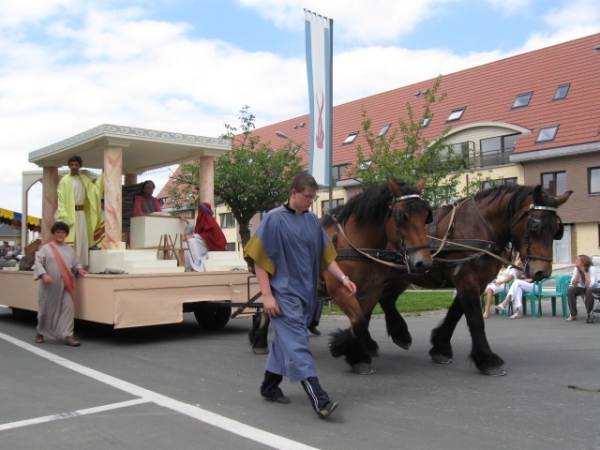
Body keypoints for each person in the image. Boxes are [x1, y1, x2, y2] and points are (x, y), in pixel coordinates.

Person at [244, 172, 357, 419]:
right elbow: (258, 259)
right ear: (294, 193)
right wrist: (267, 295)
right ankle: (320, 399)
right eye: (307, 196)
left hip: (306, 294)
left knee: (285, 341)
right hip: (283, 294)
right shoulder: (274, 219)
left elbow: (327, 257)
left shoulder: (311, 221)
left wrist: (344, 278)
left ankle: (269, 386)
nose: (310, 201)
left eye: (313, 197)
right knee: (298, 343)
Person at [33, 221, 88, 346]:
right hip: (49, 286)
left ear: (66, 234)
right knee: (45, 310)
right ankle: (40, 331)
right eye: (57, 232)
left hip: (66, 286)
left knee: (68, 309)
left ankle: (68, 335)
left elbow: (75, 263)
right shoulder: (45, 249)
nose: (60, 235)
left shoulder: (70, 250)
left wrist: (79, 269)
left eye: (62, 232)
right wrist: (44, 274)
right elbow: (38, 263)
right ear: (53, 234)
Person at [56, 155, 104, 267]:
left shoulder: (84, 179)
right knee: (72, 240)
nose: (74, 167)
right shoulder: (64, 181)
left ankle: (81, 265)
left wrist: (103, 175)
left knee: (82, 239)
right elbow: (61, 201)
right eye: (72, 165)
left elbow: (95, 192)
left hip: (82, 214)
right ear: (69, 166)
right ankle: (69, 265)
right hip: (70, 215)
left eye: (76, 165)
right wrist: (65, 217)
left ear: (80, 166)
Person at [179, 202, 227, 272]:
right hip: (206, 241)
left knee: (191, 241)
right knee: (187, 241)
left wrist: (193, 236)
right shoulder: (203, 219)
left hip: (213, 243)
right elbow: (197, 231)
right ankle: (189, 265)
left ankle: (196, 264)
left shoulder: (209, 220)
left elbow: (209, 235)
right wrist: (186, 221)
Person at [566, 255, 600, 323]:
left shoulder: (592, 269)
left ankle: (589, 314)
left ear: (583, 262)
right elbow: (573, 284)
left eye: (578, 260)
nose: (576, 261)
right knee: (571, 289)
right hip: (585, 288)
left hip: (596, 288)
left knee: (589, 290)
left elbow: (591, 284)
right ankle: (573, 314)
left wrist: (584, 272)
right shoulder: (576, 269)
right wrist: (578, 273)